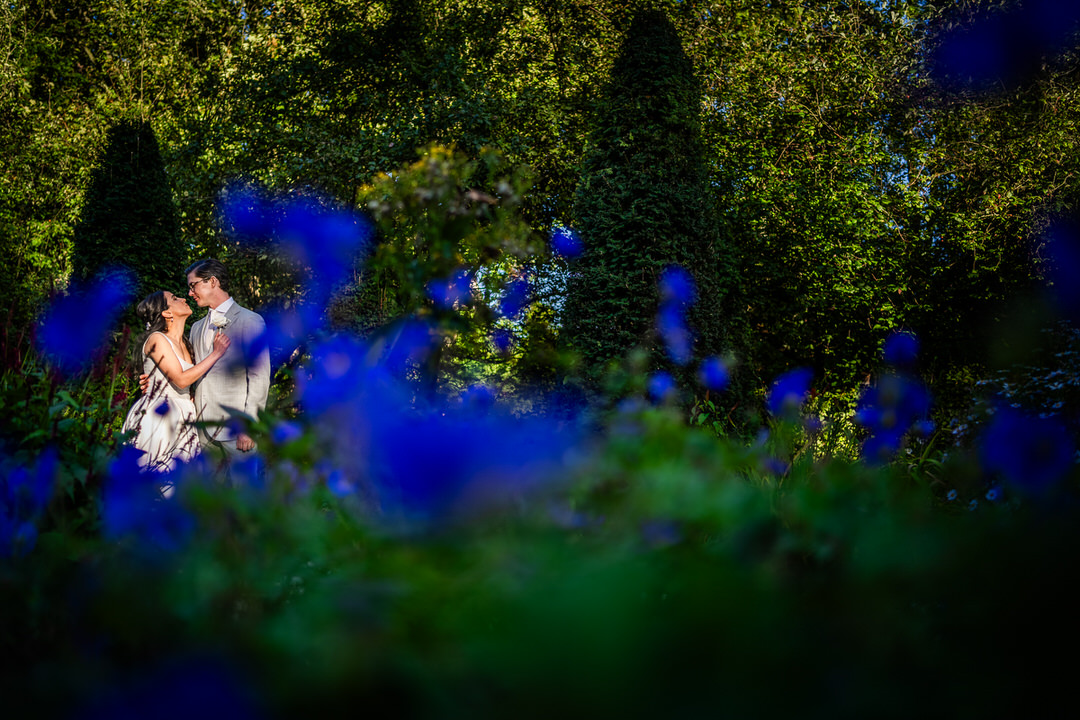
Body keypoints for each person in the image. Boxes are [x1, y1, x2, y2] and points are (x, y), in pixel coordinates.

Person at [123, 290, 231, 478]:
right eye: (174, 298)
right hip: (160, 416)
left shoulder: (187, 342)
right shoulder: (157, 338)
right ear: (166, 313)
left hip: (185, 414)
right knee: (157, 477)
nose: (182, 298)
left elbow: (188, 382)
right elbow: (181, 379)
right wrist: (216, 353)